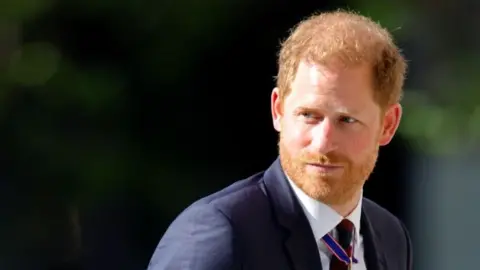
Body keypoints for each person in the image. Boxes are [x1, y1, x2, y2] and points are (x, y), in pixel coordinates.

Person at [147, 9, 412, 270]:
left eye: (346, 120)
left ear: (387, 125)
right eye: (308, 115)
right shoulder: (223, 232)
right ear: (278, 110)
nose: (322, 143)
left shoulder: (391, 236)